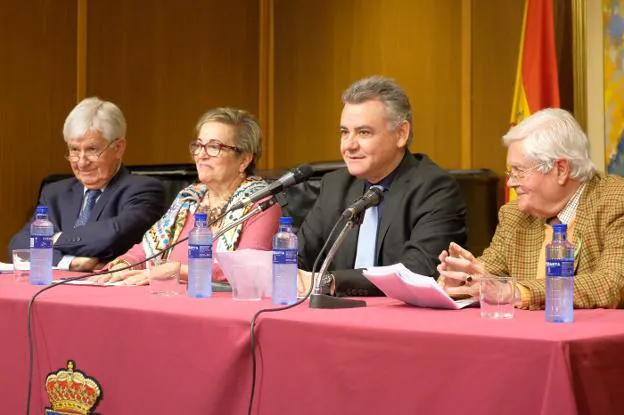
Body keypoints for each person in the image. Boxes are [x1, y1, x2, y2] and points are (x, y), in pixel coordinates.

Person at [297, 75, 468, 296]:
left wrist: (331, 281)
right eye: (344, 132)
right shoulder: (335, 185)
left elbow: (418, 271)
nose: (348, 145)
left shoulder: (435, 189)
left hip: (402, 323)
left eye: (363, 132)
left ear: (401, 134)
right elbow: (300, 256)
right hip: (335, 317)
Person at [438, 108, 624, 309]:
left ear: (561, 169)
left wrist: (517, 292)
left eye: (519, 171)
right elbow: (487, 276)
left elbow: (611, 283)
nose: (510, 183)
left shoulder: (615, 200)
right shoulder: (514, 214)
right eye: (510, 172)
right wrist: (461, 280)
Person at [94, 107, 281, 285]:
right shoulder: (189, 199)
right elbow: (146, 251)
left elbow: (246, 270)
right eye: (198, 145)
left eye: (214, 146)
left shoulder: (260, 205)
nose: (200, 155)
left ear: (244, 160)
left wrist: (175, 270)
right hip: (168, 298)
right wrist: (123, 265)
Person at [8, 97, 166, 271]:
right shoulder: (55, 193)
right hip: (52, 287)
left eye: (92, 150)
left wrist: (53, 239)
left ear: (119, 148)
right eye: (74, 150)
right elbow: (19, 246)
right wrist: (69, 262)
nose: (81, 162)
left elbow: (110, 236)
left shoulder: (143, 190)